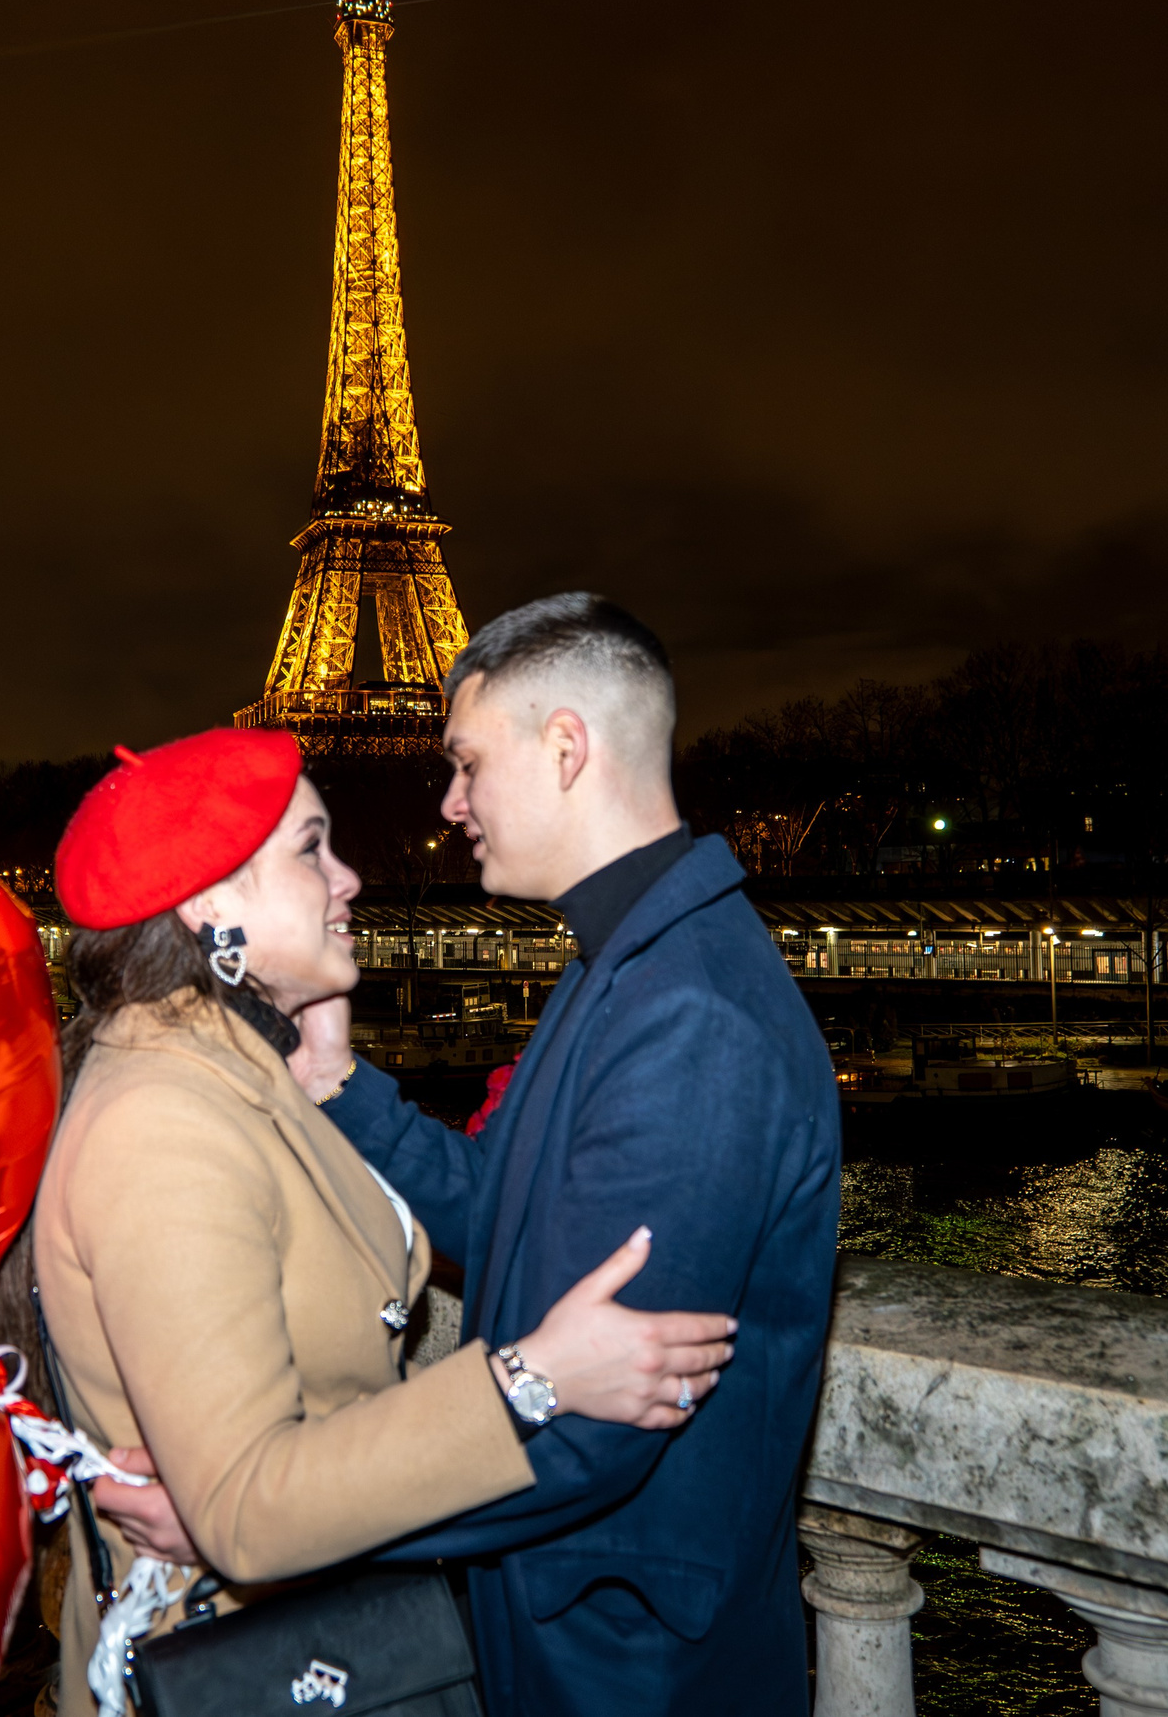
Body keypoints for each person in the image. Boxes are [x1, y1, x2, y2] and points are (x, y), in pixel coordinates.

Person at [30, 726, 736, 1717]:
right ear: (210, 904)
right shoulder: (165, 1122)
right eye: (310, 849)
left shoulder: (221, 1076)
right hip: (251, 1670)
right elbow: (247, 1509)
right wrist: (531, 1378)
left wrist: (321, 1065)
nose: (349, 878)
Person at [302, 593, 842, 1715]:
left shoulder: (687, 1011)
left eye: (466, 763)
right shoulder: (633, 962)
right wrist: (340, 1085)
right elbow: (503, 1214)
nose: (449, 802)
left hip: (625, 1664)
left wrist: (290, 1514)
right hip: (602, 1627)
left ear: (564, 748)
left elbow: (596, 1422)